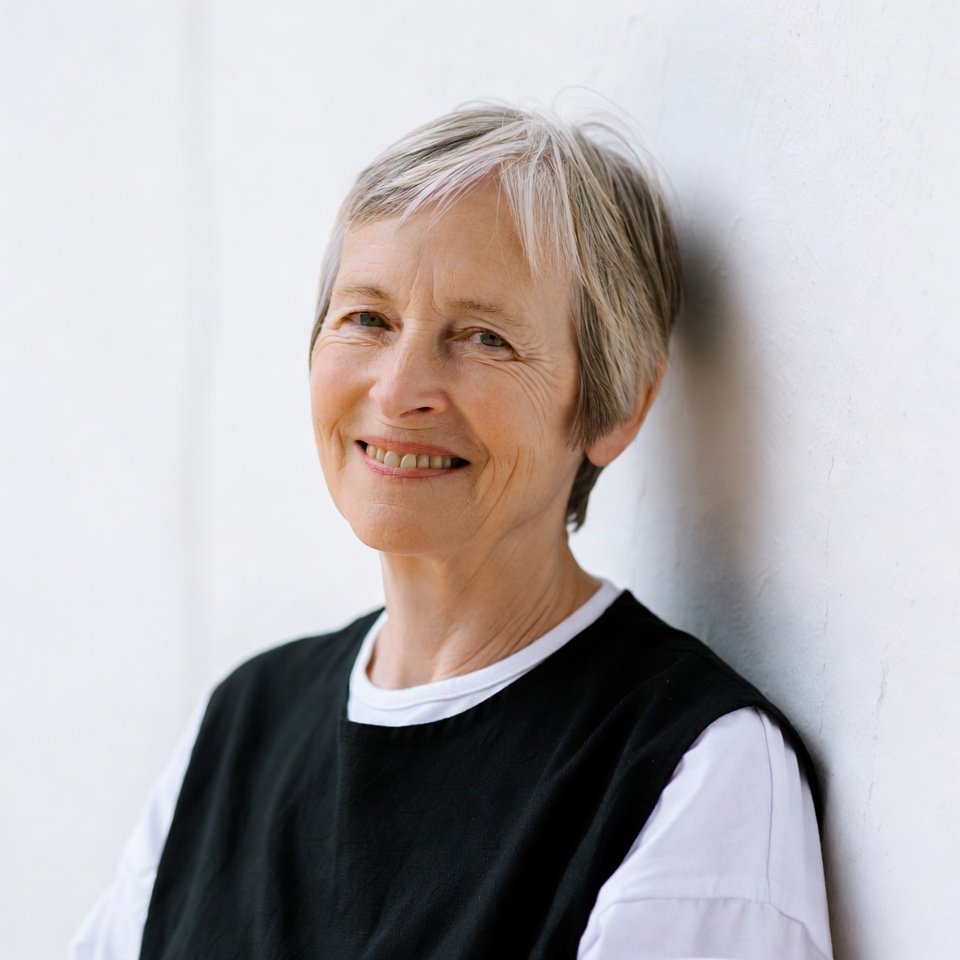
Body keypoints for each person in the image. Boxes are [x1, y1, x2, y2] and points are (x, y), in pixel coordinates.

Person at [71, 103, 832, 959]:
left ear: (616, 406)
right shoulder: (244, 722)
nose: (400, 392)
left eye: (484, 337)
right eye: (368, 318)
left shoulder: (694, 770)